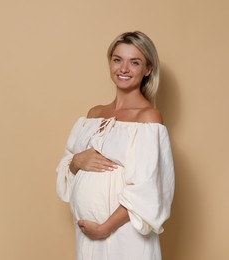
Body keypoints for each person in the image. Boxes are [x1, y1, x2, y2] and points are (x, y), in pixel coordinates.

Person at [56, 31, 175, 260]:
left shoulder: (148, 118)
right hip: (88, 236)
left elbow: (147, 189)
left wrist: (104, 228)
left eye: (134, 62)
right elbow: (66, 166)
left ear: (148, 69)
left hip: (126, 235)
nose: (123, 69)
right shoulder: (93, 115)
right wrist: (77, 161)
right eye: (117, 59)